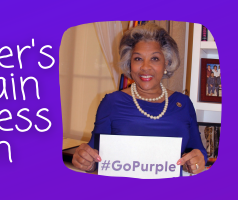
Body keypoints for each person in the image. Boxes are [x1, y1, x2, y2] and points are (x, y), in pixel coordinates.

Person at [72, 23, 207, 176]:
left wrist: (196, 161)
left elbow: (198, 151)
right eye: (138, 59)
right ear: (129, 64)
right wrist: (86, 161)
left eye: (154, 58)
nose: (145, 67)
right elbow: (95, 156)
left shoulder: (183, 104)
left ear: (166, 63)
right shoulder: (112, 103)